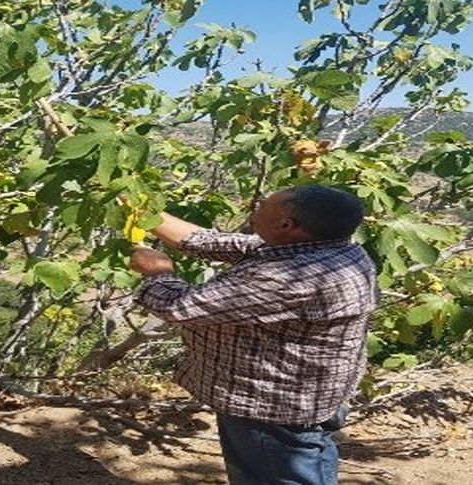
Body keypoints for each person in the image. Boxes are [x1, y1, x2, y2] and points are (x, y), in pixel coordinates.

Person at [129, 184, 377, 485]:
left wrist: (158, 273)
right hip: (317, 393)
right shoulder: (335, 250)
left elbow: (181, 307)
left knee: (275, 475)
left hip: (272, 404)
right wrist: (137, 204)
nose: (256, 206)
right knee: (313, 457)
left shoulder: (290, 277)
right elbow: (207, 241)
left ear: (286, 225)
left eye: (263, 204)